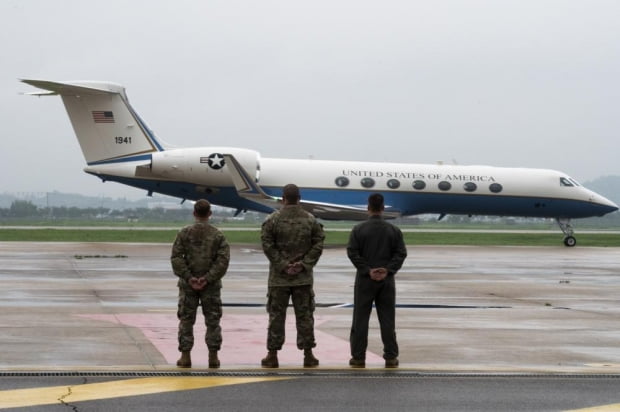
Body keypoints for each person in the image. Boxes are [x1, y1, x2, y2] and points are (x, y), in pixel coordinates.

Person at [260, 184, 325, 368]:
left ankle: (272, 355)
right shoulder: (310, 220)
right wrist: (303, 265)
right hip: (302, 278)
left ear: (283, 198)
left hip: (278, 278)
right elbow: (318, 244)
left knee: (276, 317)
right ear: (299, 197)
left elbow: (267, 245)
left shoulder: (273, 220)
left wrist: (282, 265)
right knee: (305, 316)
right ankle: (308, 355)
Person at [347, 193, 407, 368]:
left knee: (360, 319)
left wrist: (367, 270)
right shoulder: (393, 230)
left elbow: (352, 252)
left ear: (368, 207)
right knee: (387, 320)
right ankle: (390, 356)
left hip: (365, 280)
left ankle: (358, 357)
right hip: (386, 281)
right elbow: (401, 253)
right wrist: (387, 270)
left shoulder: (358, 229)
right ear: (382, 208)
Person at [171, 199, 230, 368]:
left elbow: (176, 258)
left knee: (186, 320)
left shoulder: (184, 233)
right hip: (210, 286)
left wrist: (189, 277)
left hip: (188, 285)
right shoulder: (218, 235)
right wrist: (208, 278)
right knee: (212, 321)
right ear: (209, 214)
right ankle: (213, 357)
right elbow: (223, 261)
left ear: (194, 213)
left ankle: (185, 356)